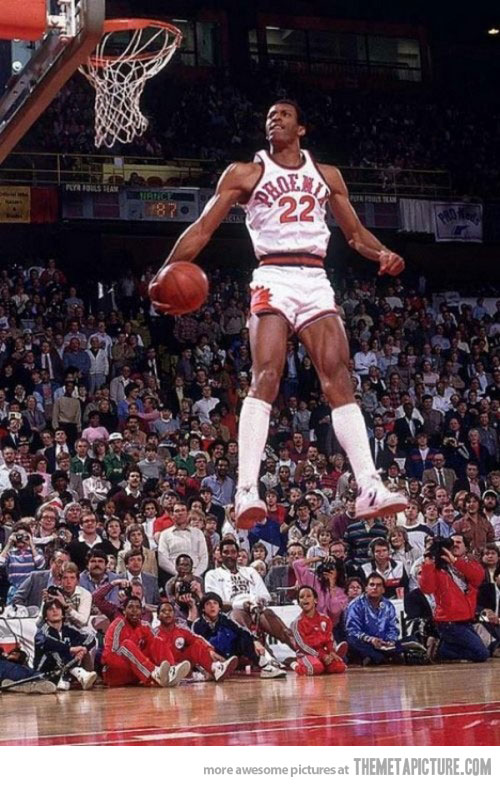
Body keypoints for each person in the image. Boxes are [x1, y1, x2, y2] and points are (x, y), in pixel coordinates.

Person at [150, 99, 407, 528]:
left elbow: (355, 234)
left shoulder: (327, 175)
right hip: (273, 274)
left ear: (301, 128)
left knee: (338, 378)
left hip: (315, 277)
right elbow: (203, 228)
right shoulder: (245, 173)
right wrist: (166, 269)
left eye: (284, 114)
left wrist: (382, 253)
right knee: (266, 374)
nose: (276, 119)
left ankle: (368, 485)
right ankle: (246, 490)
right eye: (270, 115)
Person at [419, 534, 489, 663]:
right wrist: (428, 563)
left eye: (459, 542)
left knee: (482, 649)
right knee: (481, 654)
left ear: (466, 547)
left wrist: (455, 561)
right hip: (448, 622)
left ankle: (441, 646)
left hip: (466, 620)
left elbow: (478, 577)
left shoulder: (471, 563)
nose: (455, 545)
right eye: (453, 542)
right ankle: (440, 650)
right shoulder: (437, 568)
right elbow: (427, 589)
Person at [101, 596, 189, 688]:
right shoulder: (117, 624)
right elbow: (108, 657)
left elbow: (156, 648)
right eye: (130, 607)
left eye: (138, 607)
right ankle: (154, 673)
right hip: (114, 672)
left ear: (142, 611)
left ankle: (171, 672)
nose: (134, 610)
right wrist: (135, 662)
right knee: (127, 644)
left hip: (138, 672)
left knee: (157, 640)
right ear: (124, 611)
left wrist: (139, 663)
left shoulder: (145, 625)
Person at [345, 573, 425, 665]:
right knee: (352, 641)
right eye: (372, 585)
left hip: (383, 643)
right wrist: (370, 639)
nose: (375, 588)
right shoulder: (355, 605)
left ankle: (378, 657)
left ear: (383, 590)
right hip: (365, 642)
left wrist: (390, 641)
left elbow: (392, 628)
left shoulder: (388, 605)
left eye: (378, 585)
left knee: (411, 639)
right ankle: (382, 657)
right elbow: (352, 630)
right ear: (366, 588)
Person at [154, 600, 237, 682]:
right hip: (165, 668)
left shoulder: (181, 630)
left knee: (196, 644)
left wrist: (210, 651)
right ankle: (196, 675)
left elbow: (197, 639)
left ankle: (215, 668)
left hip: (182, 665)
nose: (167, 613)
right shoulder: (154, 634)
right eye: (163, 611)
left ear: (174, 615)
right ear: (158, 616)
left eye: (170, 610)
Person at [34, 599, 97, 690]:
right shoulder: (42, 631)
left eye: (58, 608)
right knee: (56, 651)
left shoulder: (69, 629)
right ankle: (78, 674)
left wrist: (83, 649)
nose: (55, 610)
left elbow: (90, 638)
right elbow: (47, 643)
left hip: (66, 669)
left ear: (63, 614)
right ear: (46, 616)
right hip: (45, 670)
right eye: (50, 609)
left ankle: (77, 677)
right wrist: (71, 649)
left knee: (81, 649)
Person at [289, 585, 347, 676]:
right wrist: (321, 656)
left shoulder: (325, 619)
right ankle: (294, 664)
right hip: (306, 654)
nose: (305, 599)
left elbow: (329, 639)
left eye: (308, 596)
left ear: (315, 600)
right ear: (299, 603)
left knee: (340, 667)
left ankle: (324, 665)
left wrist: (331, 652)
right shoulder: (296, 623)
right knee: (315, 668)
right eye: (301, 597)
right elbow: (302, 646)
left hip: (323, 653)